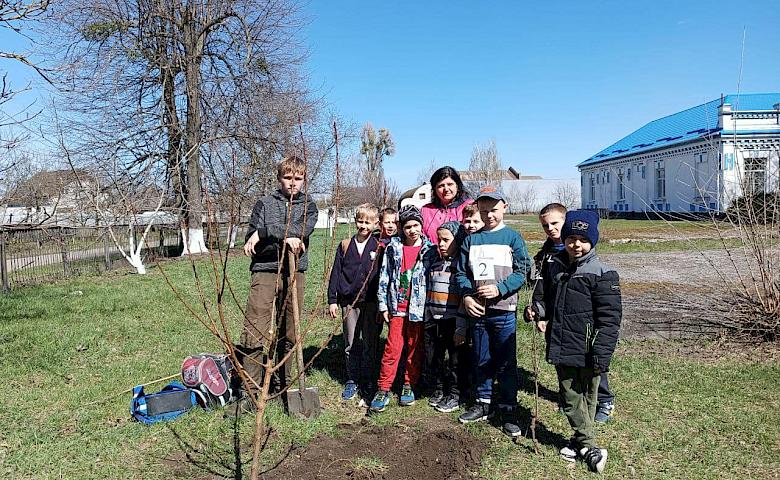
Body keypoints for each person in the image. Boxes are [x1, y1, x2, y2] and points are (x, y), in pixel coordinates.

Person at [527, 210, 621, 473]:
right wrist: (537, 311)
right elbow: (546, 299)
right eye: (571, 238)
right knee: (570, 397)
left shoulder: (603, 274)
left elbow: (610, 320)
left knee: (588, 397)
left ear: (593, 241)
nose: (576, 244)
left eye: (583, 240)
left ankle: (581, 442)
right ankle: (588, 445)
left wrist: (602, 353)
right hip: (562, 344)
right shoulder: (555, 267)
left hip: (589, 348)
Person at [236, 155, 318, 412]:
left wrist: (266, 233)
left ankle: (283, 385)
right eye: (288, 177)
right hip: (265, 271)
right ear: (279, 178)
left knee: (290, 330)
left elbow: (302, 231)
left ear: (304, 180)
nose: (293, 183)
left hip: (294, 272)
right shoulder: (264, 204)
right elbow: (251, 241)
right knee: (254, 328)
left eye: (298, 178)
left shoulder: (309, 206)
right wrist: (273, 236)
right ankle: (250, 391)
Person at [454, 186, 531, 438]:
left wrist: (500, 289)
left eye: (494, 210)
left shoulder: (513, 238)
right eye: (484, 210)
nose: (489, 215)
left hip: (504, 311)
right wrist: (467, 296)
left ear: (504, 207)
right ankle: (483, 402)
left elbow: (523, 270)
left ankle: (508, 406)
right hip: (478, 311)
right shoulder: (471, 240)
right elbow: (461, 273)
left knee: (506, 361)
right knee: (480, 356)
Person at [370, 205, 432, 413]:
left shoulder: (429, 250)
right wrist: (383, 305)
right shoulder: (393, 248)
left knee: (415, 348)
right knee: (392, 348)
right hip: (397, 308)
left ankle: (408, 384)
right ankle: (383, 387)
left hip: (418, 310)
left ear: (421, 226)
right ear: (401, 228)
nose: (412, 230)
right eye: (407, 227)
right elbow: (384, 277)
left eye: (415, 225)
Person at [328, 203, 382, 404]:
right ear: (355, 221)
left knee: (369, 343)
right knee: (350, 342)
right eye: (360, 221)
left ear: (375, 224)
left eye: (368, 222)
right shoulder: (345, 245)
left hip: (371, 302)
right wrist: (333, 300)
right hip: (349, 302)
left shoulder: (379, 246)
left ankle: (368, 378)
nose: (363, 226)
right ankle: (352, 379)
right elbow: (335, 273)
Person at [422, 221, 470, 413]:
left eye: (446, 240)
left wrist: (461, 326)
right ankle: (439, 388)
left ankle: (456, 393)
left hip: (453, 321)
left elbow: (463, 298)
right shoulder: (435, 263)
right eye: (439, 240)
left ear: (457, 240)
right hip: (433, 320)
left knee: (456, 360)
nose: (441, 244)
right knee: (434, 357)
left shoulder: (461, 267)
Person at [421, 166, 473, 241]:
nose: (446, 189)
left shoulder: (470, 206)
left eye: (450, 184)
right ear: (434, 189)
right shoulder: (425, 211)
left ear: (457, 186)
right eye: (441, 186)